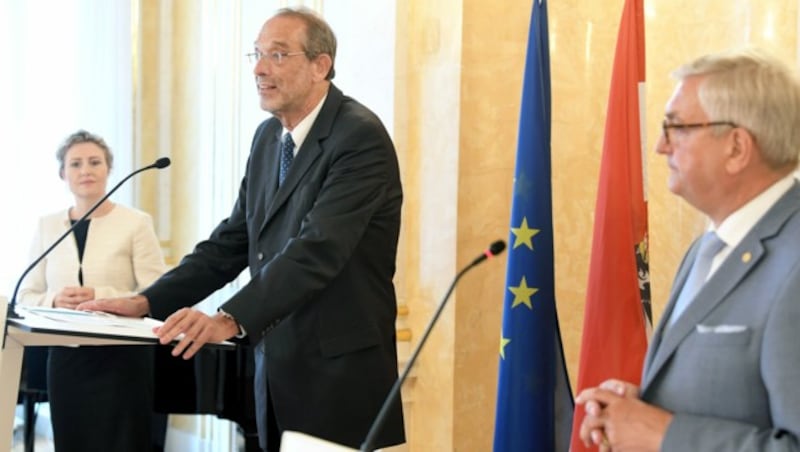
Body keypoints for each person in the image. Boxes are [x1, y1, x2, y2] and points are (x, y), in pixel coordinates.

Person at [79, 7, 405, 451]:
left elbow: (317, 250)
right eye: (256, 53)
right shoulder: (268, 138)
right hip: (274, 369)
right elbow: (231, 243)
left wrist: (228, 318)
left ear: (320, 65)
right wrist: (146, 301)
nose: (259, 68)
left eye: (277, 54)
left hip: (338, 376)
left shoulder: (358, 138)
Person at [575, 47, 800, 451]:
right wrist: (636, 409)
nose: (661, 145)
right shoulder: (707, 248)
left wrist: (661, 434)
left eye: (676, 127)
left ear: (736, 148)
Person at [19, 129, 167, 452]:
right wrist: (55, 299)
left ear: (108, 169)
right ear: (63, 174)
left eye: (94, 162)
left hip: (123, 359)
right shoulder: (47, 225)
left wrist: (101, 294)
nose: (85, 170)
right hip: (66, 360)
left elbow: (156, 291)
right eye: (75, 164)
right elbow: (26, 294)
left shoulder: (136, 223)